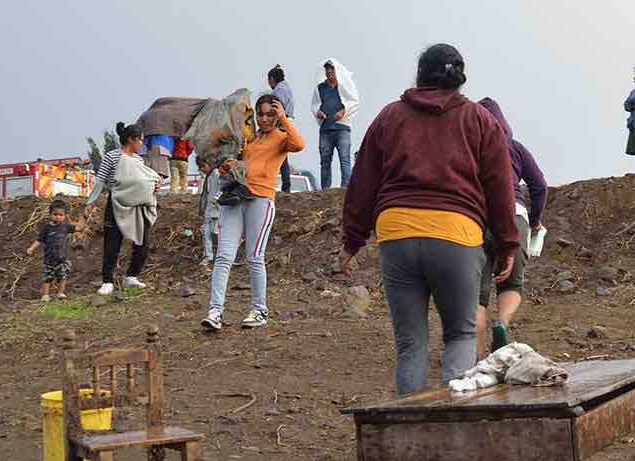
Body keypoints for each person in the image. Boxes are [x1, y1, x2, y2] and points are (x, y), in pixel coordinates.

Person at [341, 43, 519, 394]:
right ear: (460, 80)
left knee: (410, 345)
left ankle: (410, 432)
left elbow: (363, 182)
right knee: (461, 334)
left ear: (420, 76)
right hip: (457, 233)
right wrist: (508, 243)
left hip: (397, 233)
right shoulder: (480, 120)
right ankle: (452, 428)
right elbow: (500, 186)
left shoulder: (389, 117)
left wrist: (352, 240)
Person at [202, 95, 304, 331]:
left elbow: (299, 145)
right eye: (261, 114)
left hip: (261, 200)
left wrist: (283, 119)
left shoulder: (281, 138)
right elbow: (238, 168)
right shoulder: (248, 140)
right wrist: (228, 166)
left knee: (254, 256)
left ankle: (259, 310)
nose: (265, 118)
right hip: (236, 198)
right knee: (223, 256)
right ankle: (215, 311)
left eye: (271, 114)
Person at [475, 98, 548, 355]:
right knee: (511, 285)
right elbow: (539, 186)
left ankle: (478, 358)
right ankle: (502, 322)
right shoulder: (515, 148)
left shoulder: (470, 148)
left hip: (477, 221)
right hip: (515, 217)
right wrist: (536, 220)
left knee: (477, 295)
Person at [86, 122, 161, 295]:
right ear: (131, 140)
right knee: (112, 244)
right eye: (140, 140)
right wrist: (90, 203)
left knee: (142, 244)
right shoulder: (111, 157)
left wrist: (154, 187)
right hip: (116, 203)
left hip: (138, 206)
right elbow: (100, 181)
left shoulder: (138, 160)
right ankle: (107, 281)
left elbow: (146, 179)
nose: (141, 144)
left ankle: (131, 277)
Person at [311, 58, 360, 189]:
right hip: (326, 129)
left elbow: (354, 102)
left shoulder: (344, 86)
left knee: (344, 159)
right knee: (325, 161)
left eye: (331, 68)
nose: (329, 71)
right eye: (327, 69)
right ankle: (325, 190)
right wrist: (318, 112)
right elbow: (315, 104)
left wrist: (343, 111)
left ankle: (345, 189)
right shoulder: (320, 88)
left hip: (342, 128)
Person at [26, 200, 76, 301]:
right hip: (49, 259)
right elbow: (39, 240)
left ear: (65, 215)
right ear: (50, 214)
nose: (57, 216)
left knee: (62, 277)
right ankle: (45, 295)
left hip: (62, 259)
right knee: (47, 278)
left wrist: (85, 217)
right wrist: (31, 248)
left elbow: (79, 227)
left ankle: (60, 293)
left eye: (60, 214)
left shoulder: (66, 227)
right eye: (55, 214)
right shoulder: (46, 228)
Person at [268, 65, 295, 193]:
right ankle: (285, 185)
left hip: (280, 125)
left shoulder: (279, 90)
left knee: (276, 155)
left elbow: (277, 107)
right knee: (281, 156)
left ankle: (284, 185)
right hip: (286, 124)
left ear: (272, 79)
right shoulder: (286, 87)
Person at [196, 158, 220, 266]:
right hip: (208, 210)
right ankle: (208, 255)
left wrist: (217, 197)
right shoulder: (208, 177)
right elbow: (205, 195)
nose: (202, 169)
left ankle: (223, 254)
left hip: (217, 210)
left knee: (216, 232)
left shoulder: (216, 173)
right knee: (206, 232)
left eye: (203, 166)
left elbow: (223, 187)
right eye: (200, 167)